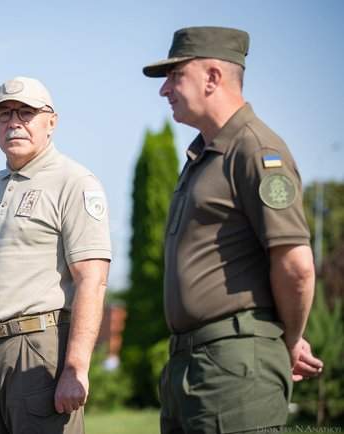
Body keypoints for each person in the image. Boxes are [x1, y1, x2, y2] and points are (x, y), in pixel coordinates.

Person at [142, 26, 324, 433]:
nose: (164, 90)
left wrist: (289, 341)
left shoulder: (256, 150)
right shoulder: (204, 156)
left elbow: (296, 267)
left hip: (236, 369)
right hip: (192, 365)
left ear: (212, 78)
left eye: (175, 76)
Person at [0, 76, 112, 434]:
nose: (14, 123)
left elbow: (92, 278)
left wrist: (76, 368)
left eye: (26, 113)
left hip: (38, 347)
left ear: (51, 121)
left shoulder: (74, 181)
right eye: (4, 114)